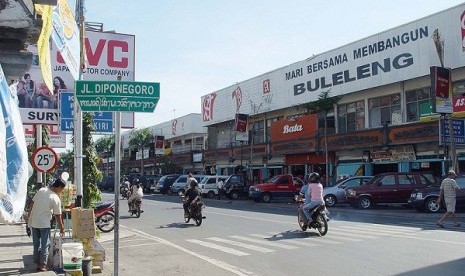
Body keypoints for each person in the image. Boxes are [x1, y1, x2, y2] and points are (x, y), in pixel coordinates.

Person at [26, 178, 66, 272]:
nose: (61, 192)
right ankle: (42, 265)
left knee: (36, 244)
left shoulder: (42, 190)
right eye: (62, 189)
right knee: (45, 245)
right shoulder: (55, 198)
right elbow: (58, 216)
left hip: (34, 222)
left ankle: (37, 262)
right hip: (44, 224)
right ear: (59, 187)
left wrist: (29, 217)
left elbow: (32, 203)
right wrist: (62, 228)